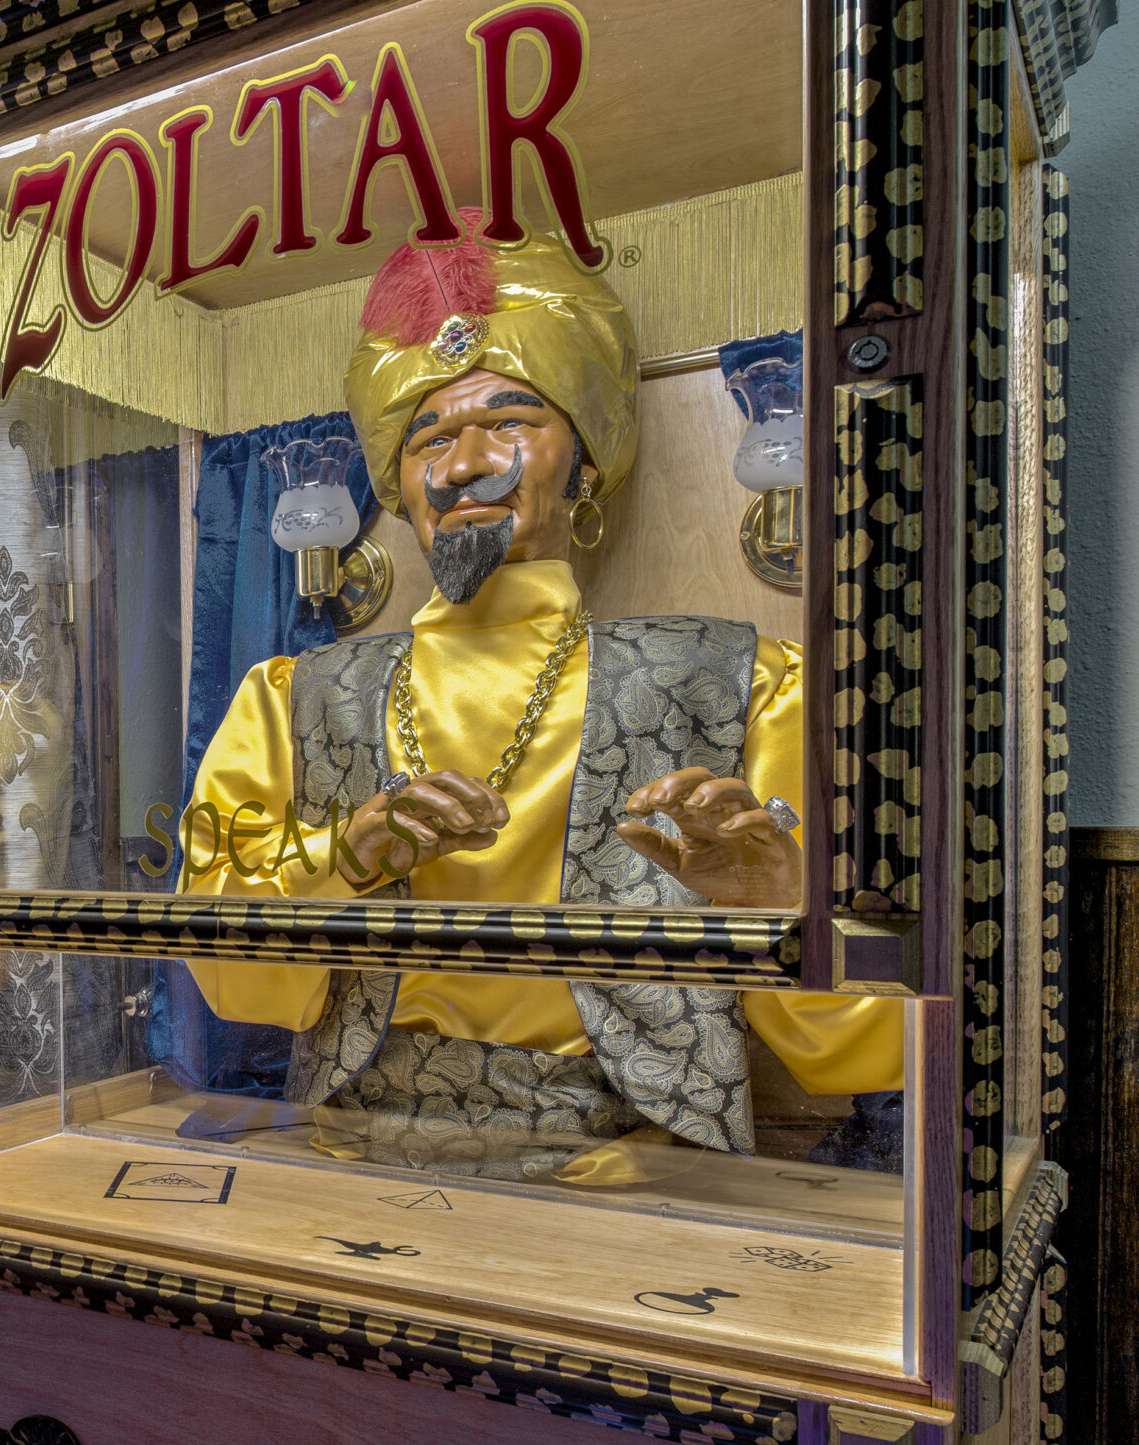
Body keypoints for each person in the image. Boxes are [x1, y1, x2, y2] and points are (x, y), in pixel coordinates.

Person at [181, 215, 901, 1178]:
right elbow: (228, 979)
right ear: (396, 481)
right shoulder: (290, 696)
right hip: (349, 1155)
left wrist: (773, 908)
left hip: (646, 1173)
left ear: (586, 458)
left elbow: (863, 1049)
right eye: (427, 432)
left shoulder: (742, 684)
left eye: (509, 420)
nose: (465, 461)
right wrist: (344, 859)